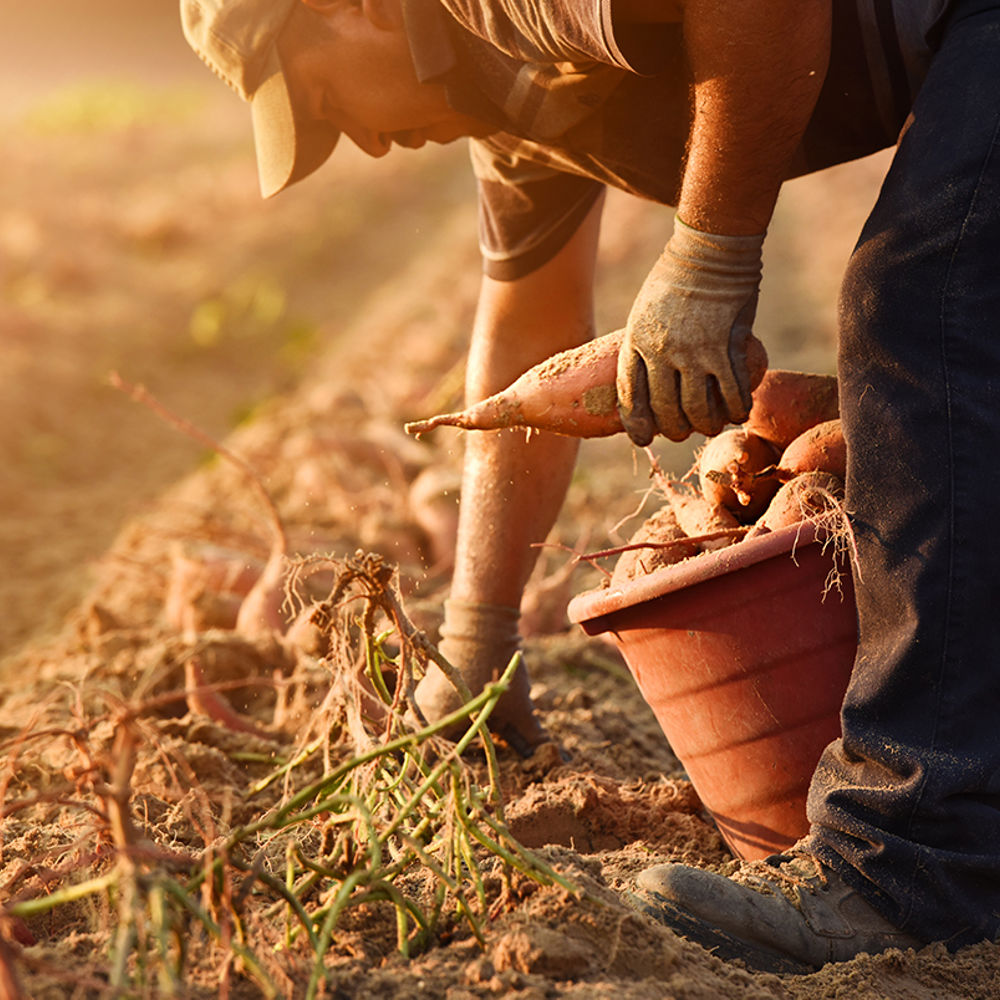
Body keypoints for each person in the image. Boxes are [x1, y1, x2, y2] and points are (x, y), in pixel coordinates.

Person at [180, 0, 1000, 973]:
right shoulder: (515, 118)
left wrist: (710, 251)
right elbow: (524, 327)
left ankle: (906, 870)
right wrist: (476, 638)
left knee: (917, 309)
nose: (356, 143)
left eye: (322, 102)